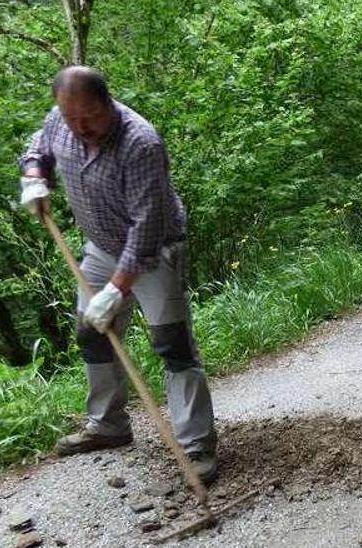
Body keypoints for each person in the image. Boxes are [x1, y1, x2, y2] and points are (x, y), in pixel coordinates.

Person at [18, 66, 218, 482]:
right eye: (71, 118)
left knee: (173, 345)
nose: (80, 127)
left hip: (154, 249)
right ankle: (108, 425)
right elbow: (40, 142)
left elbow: (146, 228)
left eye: (89, 117)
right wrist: (35, 175)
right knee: (92, 332)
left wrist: (115, 289)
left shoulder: (140, 143)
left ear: (108, 103)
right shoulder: (63, 120)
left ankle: (196, 446)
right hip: (101, 247)